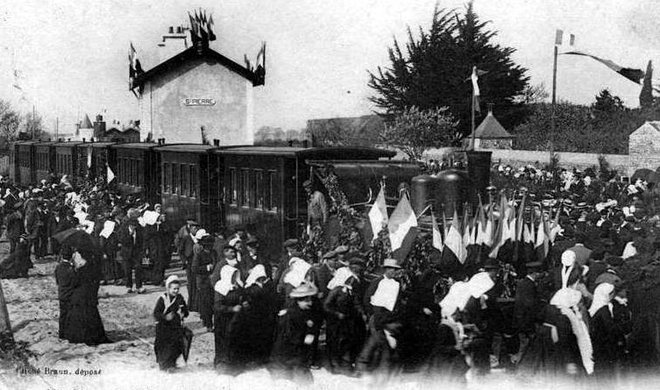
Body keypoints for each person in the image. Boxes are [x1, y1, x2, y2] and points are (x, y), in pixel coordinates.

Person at [271, 282, 319, 384]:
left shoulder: (302, 312)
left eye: (310, 300)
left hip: (296, 355)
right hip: (287, 356)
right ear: (298, 301)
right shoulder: (290, 315)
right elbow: (289, 336)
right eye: (307, 301)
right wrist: (306, 339)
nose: (310, 303)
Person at [62, 247, 109, 345]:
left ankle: (81, 335)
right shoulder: (92, 265)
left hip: (82, 294)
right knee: (91, 314)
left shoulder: (83, 267)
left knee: (81, 315)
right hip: (89, 294)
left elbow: (76, 280)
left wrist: (75, 270)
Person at [323, 267, 365, 374]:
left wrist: (362, 312)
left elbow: (356, 303)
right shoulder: (336, 291)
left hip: (346, 321)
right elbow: (326, 306)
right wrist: (337, 314)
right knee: (334, 342)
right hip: (335, 321)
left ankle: (344, 363)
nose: (351, 281)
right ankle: (333, 365)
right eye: (349, 279)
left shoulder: (350, 291)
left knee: (345, 342)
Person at [153, 275, 190, 371]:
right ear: (168, 288)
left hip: (175, 327)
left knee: (176, 346)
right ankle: (165, 365)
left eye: (177, 289)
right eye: (174, 289)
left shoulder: (180, 298)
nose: (176, 291)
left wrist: (183, 313)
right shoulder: (163, 299)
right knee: (165, 347)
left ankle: (172, 363)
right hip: (163, 327)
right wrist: (165, 317)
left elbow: (186, 311)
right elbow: (156, 313)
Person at [213, 264, 245, 372]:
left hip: (234, 320)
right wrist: (232, 309)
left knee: (234, 341)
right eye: (232, 276)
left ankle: (234, 363)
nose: (234, 278)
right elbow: (217, 306)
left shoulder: (236, 286)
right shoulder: (220, 287)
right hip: (223, 320)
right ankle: (222, 364)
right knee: (223, 343)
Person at [192, 232, 215, 332]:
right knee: (206, 303)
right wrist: (206, 267)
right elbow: (194, 268)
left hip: (213, 280)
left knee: (213, 302)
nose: (210, 247)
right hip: (203, 281)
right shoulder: (199, 255)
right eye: (208, 245)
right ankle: (208, 323)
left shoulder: (214, 253)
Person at [118, 218, 145, 294]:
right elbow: (122, 241)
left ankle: (139, 286)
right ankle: (129, 286)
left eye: (135, 226)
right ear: (129, 225)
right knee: (127, 270)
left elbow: (141, 241)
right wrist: (130, 235)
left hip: (136, 253)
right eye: (132, 226)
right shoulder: (124, 231)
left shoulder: (139, 231)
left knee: (138, 268)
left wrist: (142, 251)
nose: (134, 227)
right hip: (126, 253)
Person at [54, 247, 76, 339]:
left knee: (63, 314)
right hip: (70, 294)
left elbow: (57, 281)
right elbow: (75, 281)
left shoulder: (58, 268)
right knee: (70, 314)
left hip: (62, 293)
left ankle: (61, 333)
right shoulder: (71, 269)